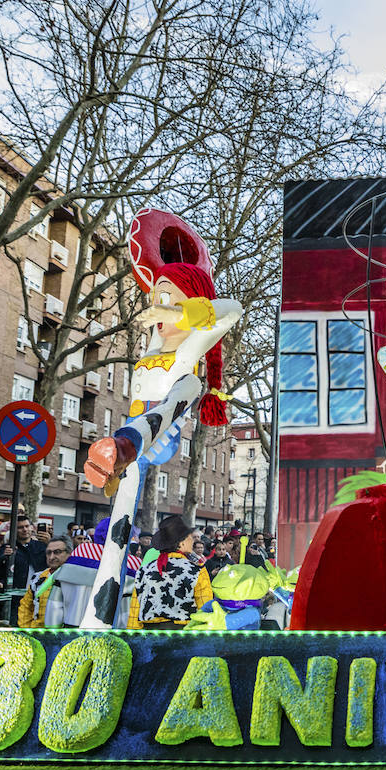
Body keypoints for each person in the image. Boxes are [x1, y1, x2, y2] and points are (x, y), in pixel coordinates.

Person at [80, 259, 242, 628]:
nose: (159, 307)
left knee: (178, 397)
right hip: (136, 424)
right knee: (122, 510)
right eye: (157, 297)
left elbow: (232, 309)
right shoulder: (155, 343)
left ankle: (121, 449)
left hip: (159, 422)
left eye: (168, 296)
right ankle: (118, 458)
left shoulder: (191, 339)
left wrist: (181, 311)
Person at [128, 516, 212, 629]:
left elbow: (135, 608)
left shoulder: (145, 570)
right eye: (189, 537)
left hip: (150, 634)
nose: (193, 540)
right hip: (183, 635)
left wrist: (133, 636)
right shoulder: (197, 570)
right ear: (181, 543)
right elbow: (205, 609)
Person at [18, 537, 71, 627]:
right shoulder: (38, 577)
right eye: (48, 553)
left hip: (65, 635)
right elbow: (26, 606)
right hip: (37, 633)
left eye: (57, 552)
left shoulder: (75, 578)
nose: (51, 557)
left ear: (69, 553)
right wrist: (26, 631)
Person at [8, 516, 47, 591]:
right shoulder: (9, 547)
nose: (25, 530)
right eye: (20, 527)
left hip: (39, 590)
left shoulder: (42, 546)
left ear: (32, 527)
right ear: (14, 530)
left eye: (27, 526)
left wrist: (49, 543)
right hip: (17, 592)